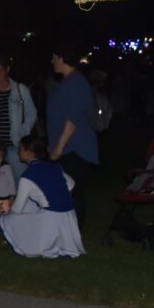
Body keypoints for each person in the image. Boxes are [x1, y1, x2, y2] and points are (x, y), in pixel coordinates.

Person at [0, 135, 84, 258]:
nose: (18, 152)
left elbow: (17, 209)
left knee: (6, 219)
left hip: (52, 219)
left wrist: (6, 213)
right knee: (31, 202)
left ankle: (21, 238)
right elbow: (71, 183)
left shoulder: (28, 175)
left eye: (20, 149)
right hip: (69, 217)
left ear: (29, 153)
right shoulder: (55, 166)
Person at [47, 45, 99, 228]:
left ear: (62, 58)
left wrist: (59, 147)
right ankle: (67, 230)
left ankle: (73, 232)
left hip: (75, 148)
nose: (52, 61)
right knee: (66, 191)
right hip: (68, 149)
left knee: (72, 191)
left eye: (54, 58)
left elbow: (73, 119)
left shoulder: (76, 82)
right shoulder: (68, 82)